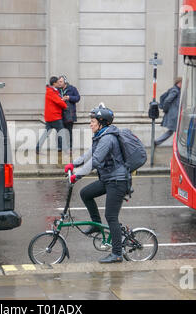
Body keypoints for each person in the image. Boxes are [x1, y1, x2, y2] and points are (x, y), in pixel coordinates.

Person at [64, 103, 129, 263]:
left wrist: (77, 175)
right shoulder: (101, 136)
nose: (90, 123)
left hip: (117, 181)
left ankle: (117, 253)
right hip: (108, 179)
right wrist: (74, 164)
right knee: (85, 193)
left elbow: (95, 161)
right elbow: (89, 154)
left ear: (102, 122)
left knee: (111, 216)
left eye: (93, 121)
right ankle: (96, 224)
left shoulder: (107, 138)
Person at [36, 76, 68, 153]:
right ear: (54, 83)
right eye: (57, 82)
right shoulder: (51, 92)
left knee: (46, 134)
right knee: (62, 133)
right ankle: (66, 150)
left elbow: (57, 100)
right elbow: (59, 102)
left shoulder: (51, 91)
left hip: (50, 117)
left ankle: (38, 148)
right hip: (55, 117)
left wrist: (61, 100)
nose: (59, 84)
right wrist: (64, 103)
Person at [154, 77, 182, 146]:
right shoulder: (175, 90)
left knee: (173, 131)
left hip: (175, 114)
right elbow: (167, 100)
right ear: (179, 83)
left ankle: (157, 141)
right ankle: (179, 146)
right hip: (174, 115)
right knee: (177, 130)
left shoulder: (176, 90)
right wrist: (165, 109)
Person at [57, 75, 80, 152]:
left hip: (69, 114)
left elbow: (78, 98)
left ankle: (69, 147)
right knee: (60, 131)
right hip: (60, 114)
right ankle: (60, 147)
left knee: (69, 131)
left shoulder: (72, 89)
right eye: (58, 82)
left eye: (61, 82)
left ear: (65, 82)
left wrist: (69, 97)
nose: (59, 83)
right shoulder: (57, 90)